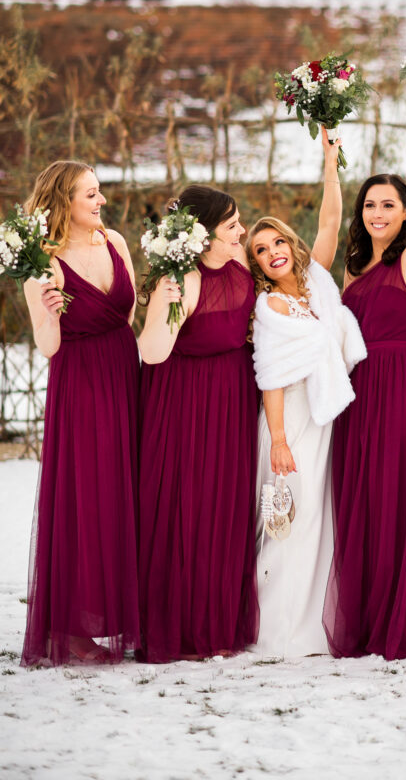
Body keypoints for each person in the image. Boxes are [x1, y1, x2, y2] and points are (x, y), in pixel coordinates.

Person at [323, 94, 406, 660]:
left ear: (402, 214)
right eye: (370, 204)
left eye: (388, 205)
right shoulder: (354, 265)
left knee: (402, 501)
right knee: (363, 503)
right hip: (357, 390)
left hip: (403, 387)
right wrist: (327, 156)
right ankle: (367, 613)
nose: (378, 213)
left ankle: (404, 618)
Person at [246, 130, 366, 657]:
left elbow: (332, 221)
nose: (272, 252)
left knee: (320, 516)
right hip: (289, 419)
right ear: (255, 263)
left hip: (324, 415)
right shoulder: (270, 306)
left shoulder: (315, 284)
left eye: (276, 242)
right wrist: (277, 440)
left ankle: (311, 624)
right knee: (286, 516)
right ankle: (273, 629)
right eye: (260, 250)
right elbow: (271, 374)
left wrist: (331, 163)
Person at [21, 161, 139, 665]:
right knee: (88, 495)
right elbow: (47, 345)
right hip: (82, 384)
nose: (102, 201)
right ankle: (73, 628)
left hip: (125, 372)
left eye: (100, 191)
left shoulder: (115, 241)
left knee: (128, 490)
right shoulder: (42, 263)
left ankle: (128, 614)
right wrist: (49, 312)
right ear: (63, 202)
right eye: (90, 194)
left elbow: (128, 312)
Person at [137, 185, 258, 661]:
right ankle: (180, 630)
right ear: (203, 236)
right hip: (184, 400)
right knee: (183, 508)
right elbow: (151, 352)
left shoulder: (241, 266)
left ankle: (217, 623)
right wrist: (157, 309)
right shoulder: (180, 279)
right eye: (232, 226)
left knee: (225, 507)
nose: (242, 232)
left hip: (232, 396)